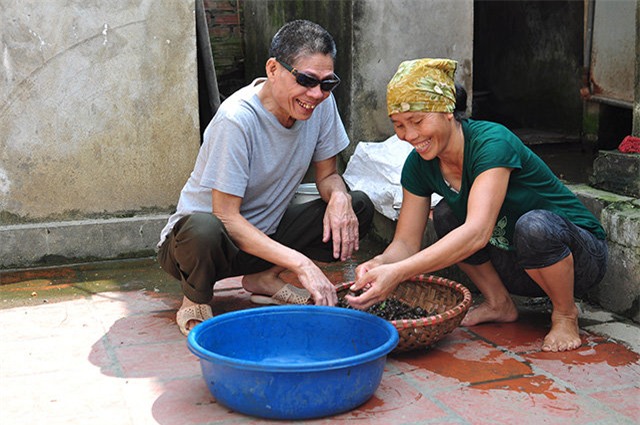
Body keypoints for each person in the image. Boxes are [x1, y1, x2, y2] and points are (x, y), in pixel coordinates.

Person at [346, 58, 608, 352]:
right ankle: (499, 303)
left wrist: (398, 273)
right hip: (517, 263)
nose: (409, 135)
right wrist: (380, 264)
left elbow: (477, 233)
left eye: (417, 121)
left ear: (447, 112)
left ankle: (564, 313)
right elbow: (406, 242)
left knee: (534, 227)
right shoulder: (419, 166)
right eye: (399, 125)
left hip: (579, 258)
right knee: (445, 213)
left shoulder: (491, 142)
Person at [158, 20, 374, 336]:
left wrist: (339, 197)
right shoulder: (237, 120)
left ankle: (264, 277)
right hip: (202, 246)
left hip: (265, 235)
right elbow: (226, 217)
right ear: (273, 69)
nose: (316, 94)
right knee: (203, 228)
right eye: (306, 80)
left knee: (358, 206)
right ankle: (195, 297)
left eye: (327, 84)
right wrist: (302, 265)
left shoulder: (319, 106)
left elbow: (327, 175)